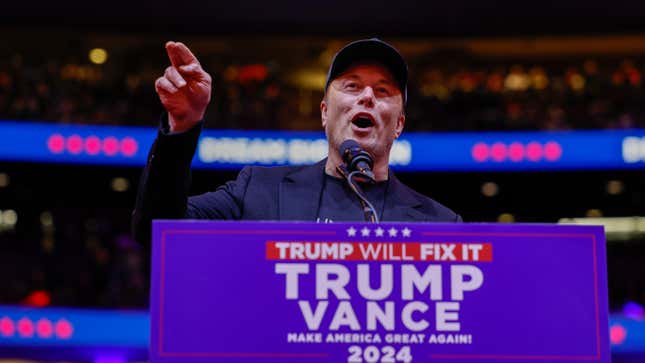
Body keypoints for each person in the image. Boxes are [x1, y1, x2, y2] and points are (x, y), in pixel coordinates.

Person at [132, 38, 461, 244]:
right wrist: (182, 128)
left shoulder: (442, 225)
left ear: (399, 123)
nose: (367, 97)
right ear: (323, 112)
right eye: (351, 86)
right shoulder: (257, 190)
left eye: (383, 90)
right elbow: (156, 231)